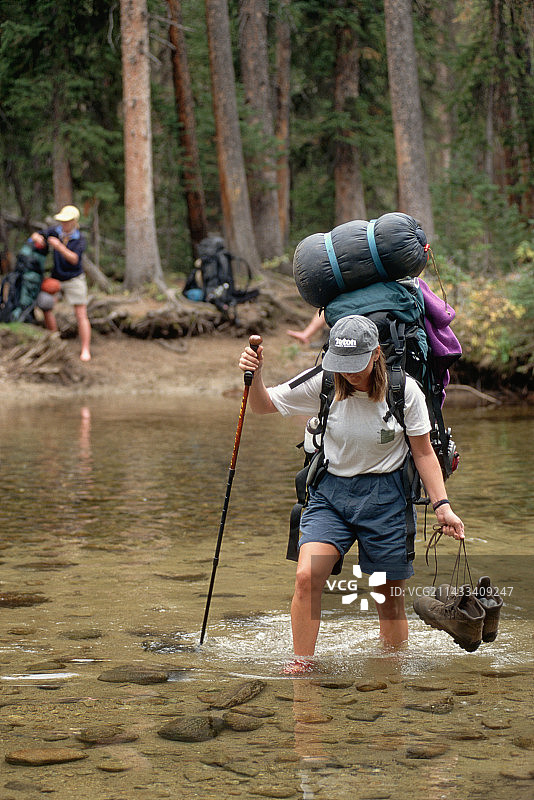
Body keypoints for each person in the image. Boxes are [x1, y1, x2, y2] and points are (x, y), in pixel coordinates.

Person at [239, 315, 464, 674]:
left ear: (376, 354)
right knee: (306, 576)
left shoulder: (404, 391)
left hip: (388, 499)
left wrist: (443, 506)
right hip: (331, 496)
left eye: (356, 364)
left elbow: (423, 453)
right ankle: (302, 665)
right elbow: (264, 405)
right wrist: (256, 374)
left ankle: (390, 674)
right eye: (341, 364)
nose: (348, 373)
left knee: (387, 599)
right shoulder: (325, 381)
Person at [31, 205, 91, 362]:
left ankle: (85, 349)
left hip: (74, 279)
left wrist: (59, 246)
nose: (64, 224)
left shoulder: (80, 238)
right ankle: (55, 340)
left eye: (67, 221)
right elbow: (36, 235)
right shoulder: (54, 231)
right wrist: (36, 238)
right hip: (56, 278)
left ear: (74, 221)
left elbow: (74, 259)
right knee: (45, 303)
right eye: (62, 221)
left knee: (81, 314)